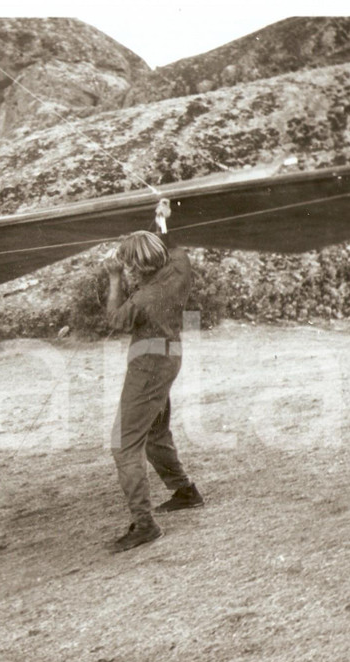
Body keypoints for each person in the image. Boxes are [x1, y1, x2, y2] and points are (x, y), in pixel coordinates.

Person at [104, 200, 203, 553]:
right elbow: (169, 241)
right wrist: (161, 216)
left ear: (133, 267)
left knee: (124, 444)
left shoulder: (143, 299)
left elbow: (115, 320)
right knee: (156, 430)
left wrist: (113, 278)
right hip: (170, 357)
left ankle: (144, 525)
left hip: (148, 365)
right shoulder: (178, 266)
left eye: (127, 267)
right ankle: (184, 491)